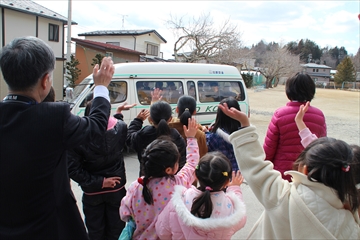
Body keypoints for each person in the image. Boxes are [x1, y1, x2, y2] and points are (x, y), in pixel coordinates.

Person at [0, 36, 114, 239]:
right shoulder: (53, 118)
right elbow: (95, 128)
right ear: (45, 81)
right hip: (51, 229)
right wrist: (101, 86)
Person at [218, 102, 360, 239]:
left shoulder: (284, 196)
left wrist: (245, 125)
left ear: (304, 170)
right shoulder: (350, 219)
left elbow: (255, 167)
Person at [120, 118, 199, 239]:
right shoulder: (178, 183)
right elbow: (192, 163)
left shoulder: (137, 185)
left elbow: (124, 214)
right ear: (169, 170)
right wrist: (191, 138)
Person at [68, 100, 136, 240]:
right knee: (117, 230)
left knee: (95, 232)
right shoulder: (121, 128)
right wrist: (118, 113)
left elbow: (73, 169)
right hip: (116, 190)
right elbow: (116, 126)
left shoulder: (78, 136)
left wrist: (100, 182)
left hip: (92, 191)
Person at [155, 152, 247, 239]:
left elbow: (162, 231)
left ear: (196, 175)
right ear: (227, 182)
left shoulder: (179, 202)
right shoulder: (231, 207)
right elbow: (241, 219)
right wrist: (235, 189)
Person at [295, 101, 360, 215]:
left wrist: (299, 121)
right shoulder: (352, 202)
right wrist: (299, 121)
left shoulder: (328, 198)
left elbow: (315, 148)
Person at [263, 72, 327, 181]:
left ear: (289, 90)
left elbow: (269, 148)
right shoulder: (319, 115)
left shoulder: (280, 114)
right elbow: (321, 147)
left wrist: (264, 168)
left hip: (282, 174)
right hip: (308, 174)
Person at [126, 100, 186, 176]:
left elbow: (129, 139)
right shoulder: (176, 136)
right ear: (170, 119)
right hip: (171, 181)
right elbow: (183, 161)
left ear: (150, 119)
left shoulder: (144, 134)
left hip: (147, 179)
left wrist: (138, 120)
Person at [205, 97, 242, 171]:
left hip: (221, 174)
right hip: (239, 173)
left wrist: (206, 133)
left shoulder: (215, 136)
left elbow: (208, 150)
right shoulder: (243, 133)